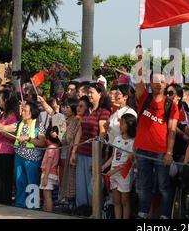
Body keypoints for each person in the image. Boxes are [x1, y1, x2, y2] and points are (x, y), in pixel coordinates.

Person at [134, 66, 179, 219]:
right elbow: (138, 81)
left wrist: (169, 153)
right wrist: (140, 61)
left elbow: (172, 131)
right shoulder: (143, 97)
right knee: (143, 186)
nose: (158, 84)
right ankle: (143, 213)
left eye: (162, 81)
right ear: (150, 83)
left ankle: (164, 216)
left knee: (164, 187)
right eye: (155, 81)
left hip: (161, 152)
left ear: (166, 84)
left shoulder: (171, 105)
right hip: (142, 150)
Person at [0, 101, 47, 208]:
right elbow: (4, 128)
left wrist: (29, 139)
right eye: (22, 110)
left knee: (32, 182)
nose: (22, 113)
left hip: (32, 160)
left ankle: (33, 206)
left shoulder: (38, 125)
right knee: (19, 181)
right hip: (19, 157)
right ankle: (20, 205)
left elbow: (42, 143)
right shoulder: (19, 124)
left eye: (25, 111)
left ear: (32, 113)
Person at [70, 83, 110, 215]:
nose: (89, 95)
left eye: (92, 92)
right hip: (82, 152)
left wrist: (98, 156)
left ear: (100, 94)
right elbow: (80, 132)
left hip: (94, 155)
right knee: (81, 185)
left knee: (92, 187)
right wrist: (74, 151)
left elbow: (102, 134)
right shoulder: (87, 111)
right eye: (88, 92)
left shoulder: (104, 112)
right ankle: (82, 209)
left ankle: (96, 211)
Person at [102, 113, 136, 219]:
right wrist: (103, 167)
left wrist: (114, 171)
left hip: (124, 174)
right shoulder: (117, 138)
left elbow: (129, 162)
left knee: (124, 201)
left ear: (129, 125)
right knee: (116, 201)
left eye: (122, 123)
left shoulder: (133, 141)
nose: (120, 126)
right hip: (114, 173)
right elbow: (113, 157)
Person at [0, 91, 19, 205]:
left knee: (3, 178)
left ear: (5, 101)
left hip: (7, 151)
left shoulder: (12, 116)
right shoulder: (3, 115)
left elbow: (8, 131)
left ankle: (3, 200)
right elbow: (0, 130)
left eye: (0, 99)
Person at [58, 98, 81, 208]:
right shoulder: (65, 120)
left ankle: (71, 201)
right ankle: (65, 199)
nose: (65, 109)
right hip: (64, 153)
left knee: (71, 178)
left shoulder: (75, 121)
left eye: (67, 107)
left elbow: (68, 138)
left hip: (71, 153)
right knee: (64, 177)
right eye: (64, 107)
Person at [40, 126, 61, 212]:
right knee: (46, 195)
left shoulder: (51, 147)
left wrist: (45, 177)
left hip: (48, 173)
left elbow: (49, 162)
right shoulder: (56, 146)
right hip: (51, 173)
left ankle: (48, 213)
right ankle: (46, 211)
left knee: (47, 195)